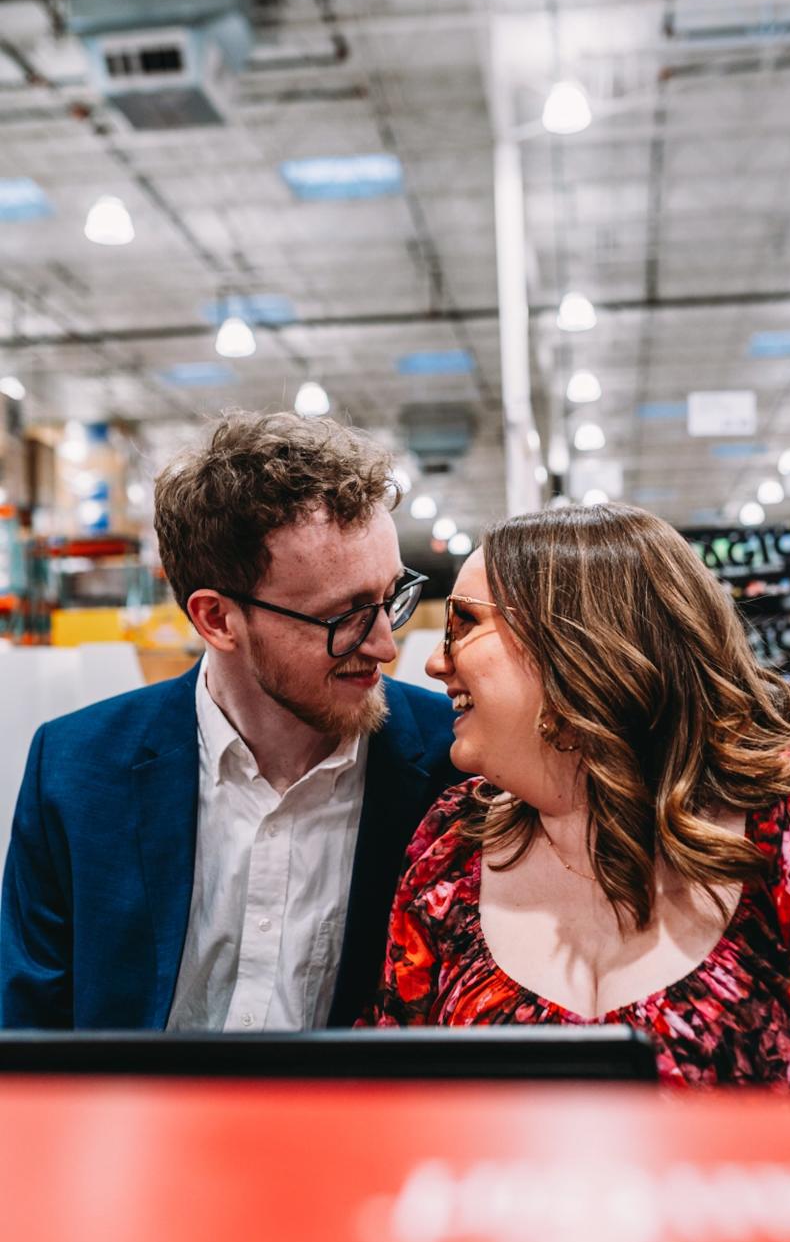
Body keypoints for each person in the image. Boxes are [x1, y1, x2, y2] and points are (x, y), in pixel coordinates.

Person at [363, 503, 790, 1086]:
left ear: (577, 646)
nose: (435, 662)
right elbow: (398, 1096)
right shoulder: (452, 842)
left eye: (463, 623)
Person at [1, 412, 461, 1030]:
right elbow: (30, 1032)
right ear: (217, 619)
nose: (385, 645)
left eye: (391, 597)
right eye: (343, 616)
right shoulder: (77, 769)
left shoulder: (450, 764)